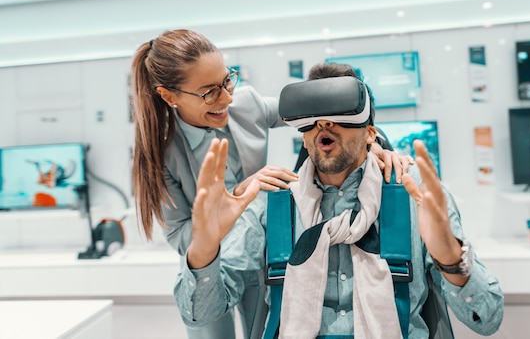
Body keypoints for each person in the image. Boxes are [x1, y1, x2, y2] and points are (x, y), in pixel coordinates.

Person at [174, 63, 504, 338]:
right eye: (314, 118)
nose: (325, 125)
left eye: (338, 114)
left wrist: (450, 259)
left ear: (371, 132)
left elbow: (488, 318)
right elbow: (200, 315)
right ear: (302, 132)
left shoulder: (413, 194)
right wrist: (203, 251)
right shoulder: (272, 201)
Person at [130, 30, 412, 338]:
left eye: (227, 81)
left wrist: (375, 144)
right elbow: (182, 238)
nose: (226, 98)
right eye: (209, 92)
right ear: (169, 96)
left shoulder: (245, 103)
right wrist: (234, 199)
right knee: (205, 320)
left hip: (261, 251)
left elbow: (324, 110)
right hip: (212, 259)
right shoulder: (160, 155)